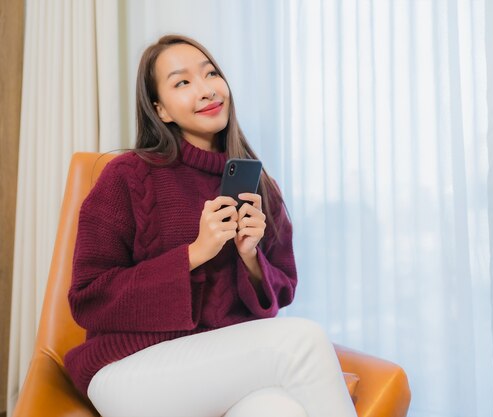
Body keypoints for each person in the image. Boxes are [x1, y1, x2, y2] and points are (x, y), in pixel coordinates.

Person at [64, 34, 357, 417]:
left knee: (278, 409)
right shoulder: (127, 177)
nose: (205, 90)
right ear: (161, 110)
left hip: (218, 373)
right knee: (303, 340)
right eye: (182, 82)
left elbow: (278, 296)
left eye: (211, 74)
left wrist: (251, 259)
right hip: (127, 372)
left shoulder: (262, 188)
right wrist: (194, 254)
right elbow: (88, 299)